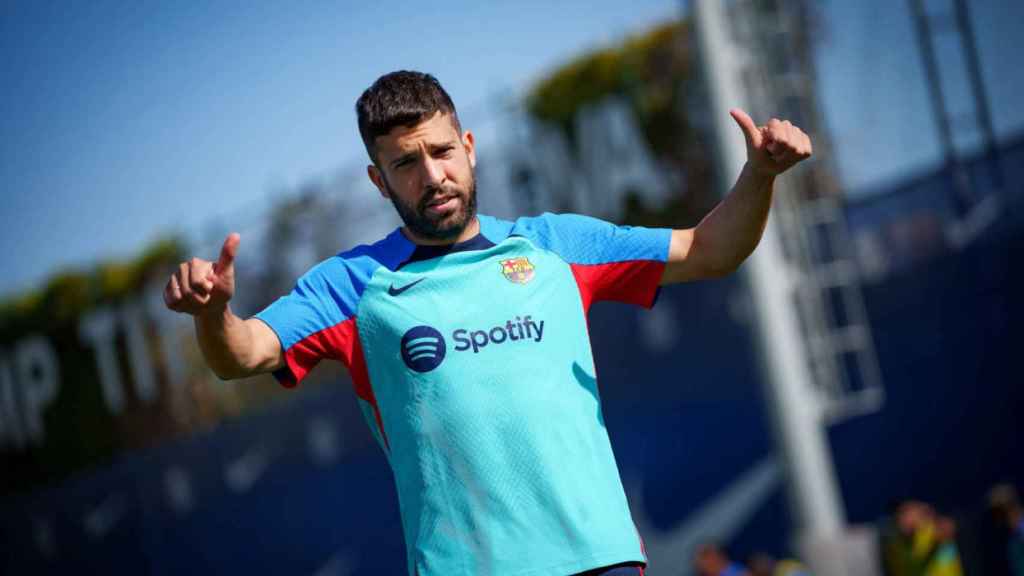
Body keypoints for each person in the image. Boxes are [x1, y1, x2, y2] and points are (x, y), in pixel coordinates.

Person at [163, 70, 812, 576]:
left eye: (442, 151)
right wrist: (215, 313)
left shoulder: (556, 245)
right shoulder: (352, 285)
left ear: (469, 148)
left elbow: (710, 250)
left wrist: (758, 175)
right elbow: (242, 353)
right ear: (378, 181)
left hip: (601, 557)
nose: (432, 175)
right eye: (405, 164)